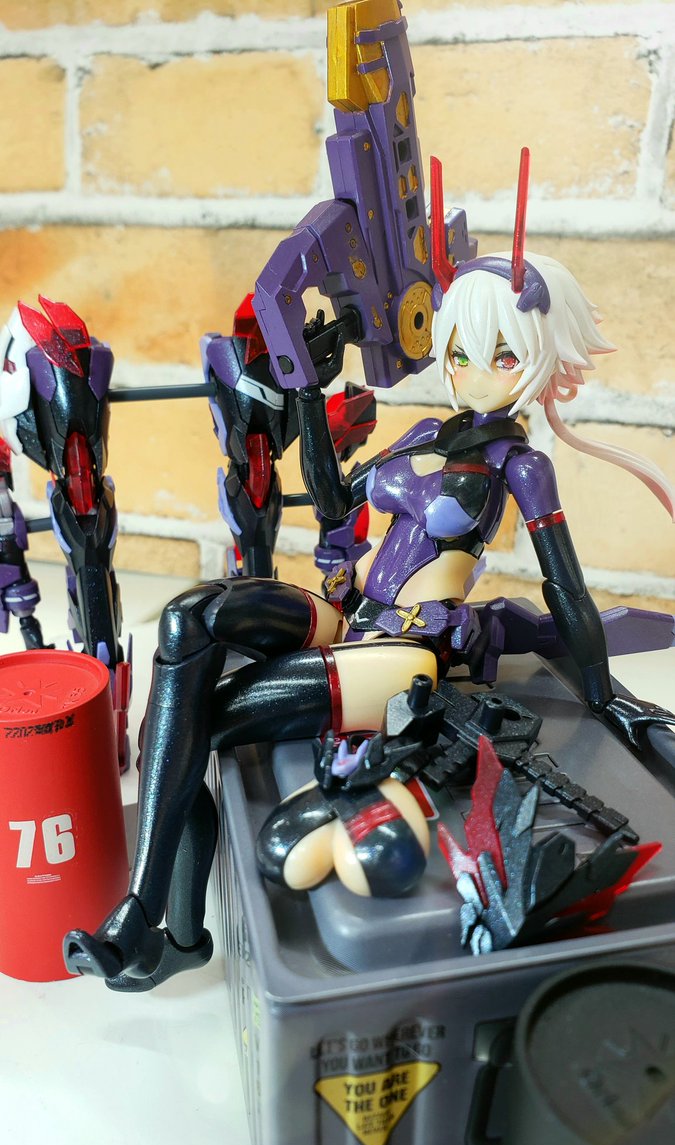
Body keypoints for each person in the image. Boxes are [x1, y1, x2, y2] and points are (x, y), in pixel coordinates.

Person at [65, 249, 674, 990]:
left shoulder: (521, 466)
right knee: (189, 617)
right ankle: (161, 927)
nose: (474, 372)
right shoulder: (425, 434)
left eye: (504, 355)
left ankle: (159, 924)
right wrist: (306, 391)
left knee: (196, 723)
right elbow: (334, 502)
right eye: (460, 352)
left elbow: (565, 590)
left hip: (408, 647)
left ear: (542, 359)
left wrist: (603, 695)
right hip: (350, 615)